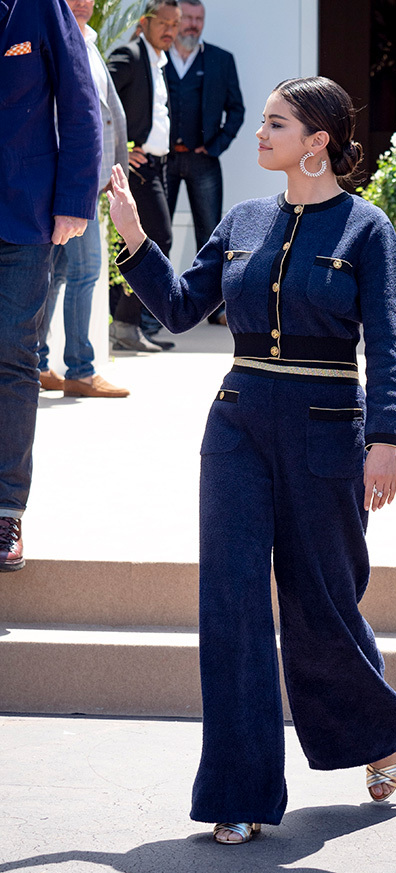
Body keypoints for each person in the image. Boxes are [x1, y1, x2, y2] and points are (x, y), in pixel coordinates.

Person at [107, 76, 396, 842]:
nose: (259, 134)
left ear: (317, 140)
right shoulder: (244, 219)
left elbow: (387, 342)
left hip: (327, 437)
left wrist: (386, 441)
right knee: (232, 609)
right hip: (238, 428)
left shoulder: (365, 228)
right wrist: (135, 237)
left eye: (276, 124)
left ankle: (376, 731)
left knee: (324, 606)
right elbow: (181, 308)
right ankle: (237, 793)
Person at [0, 0, 102, 572]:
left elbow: (80, 103)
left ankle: (5, 510)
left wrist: (73, 201)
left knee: (14, 357)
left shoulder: (41, 7)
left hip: (24, 216)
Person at [38, 0, 130, 399]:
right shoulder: (56, 38)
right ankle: (80, 369)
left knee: (57, 276)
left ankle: (37, 363)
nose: (81, 2)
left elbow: (106, 113)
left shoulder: (89, 40)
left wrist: (115, 171)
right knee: (84, 273)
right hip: (71, 185)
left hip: (88, 181)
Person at [107, 0, 181, 352]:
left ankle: (128, 324)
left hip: (158, 164)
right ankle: (124, 321)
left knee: (150, 240)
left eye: (175, 24)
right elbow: (97, 94)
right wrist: (121, 148)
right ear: (145, 22)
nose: (170, 30)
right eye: (163, 22)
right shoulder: (131, 54)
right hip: (137, 167)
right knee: (159, 238)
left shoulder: (159, 61)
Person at [165, 0, 244, 325]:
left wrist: (215, 147)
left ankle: (216, 308)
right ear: (176, 20)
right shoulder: (157, 56)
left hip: (203, 161)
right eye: (188, 19)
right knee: (156, 232)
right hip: (162, 160)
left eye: (199, 19)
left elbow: (236, 110)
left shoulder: (221, 60)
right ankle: (149, 308)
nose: (193, 25)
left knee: (211, 236)